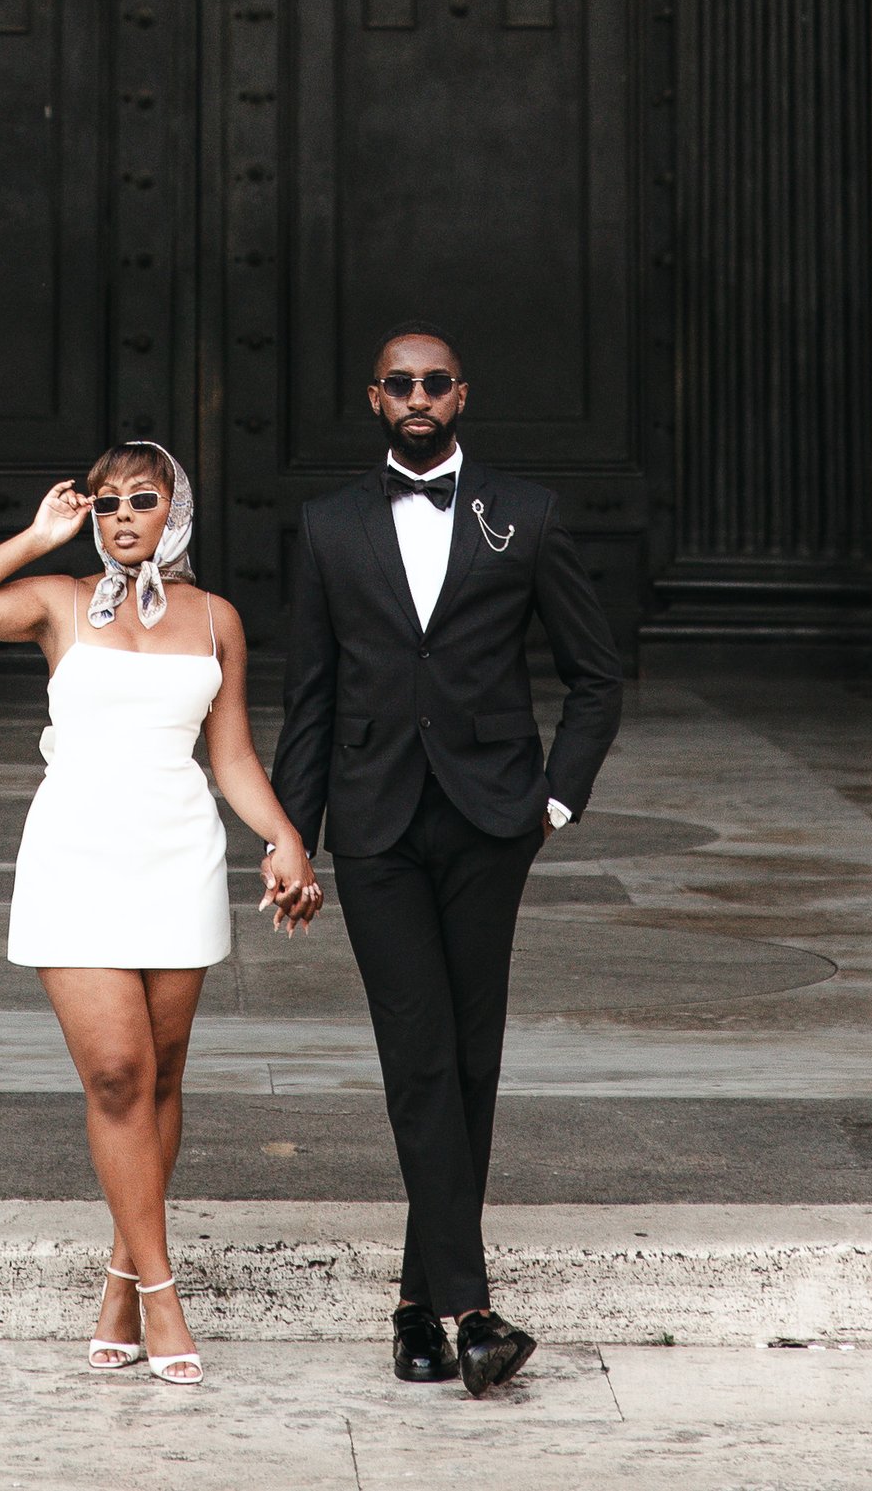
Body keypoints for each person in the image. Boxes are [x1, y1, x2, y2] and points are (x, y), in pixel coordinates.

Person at [0, 442, 320, 1388]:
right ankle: (163, 1294)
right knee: (115, 1072)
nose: (124, 515)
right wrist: (37, 533)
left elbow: (231, 758)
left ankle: (118, 1279)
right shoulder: (56, 601)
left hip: (178, 854)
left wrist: (285, 837)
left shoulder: (216, 619)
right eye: (106, 502)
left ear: (178, 507)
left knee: (162, 1075)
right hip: (77, 855)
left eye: (144, 498)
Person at [270, 329, 624, 1398]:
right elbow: (311, 697)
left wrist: (554, 797)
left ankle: (416, 1307)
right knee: (418, 1053)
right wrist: (294, 835)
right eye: (398, 383)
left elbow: (596, 675)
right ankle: (472, 1311)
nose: (417, 396)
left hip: (488, 821)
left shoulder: (528, 512)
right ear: (373, 398)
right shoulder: (328, 527)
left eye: (434, 382)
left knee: (470, 1060)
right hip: (374, 825)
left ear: (460, 392)